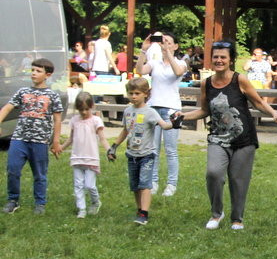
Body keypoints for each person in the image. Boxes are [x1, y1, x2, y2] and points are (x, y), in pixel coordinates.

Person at [177, 40, 277, 231]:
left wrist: (275, 114)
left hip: (243, 139)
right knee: (213, 173)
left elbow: (258, 103)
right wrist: (182, 116)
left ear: (230, 60)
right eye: (216, 57)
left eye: (223, 57)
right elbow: (204, 110)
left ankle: (237, 218)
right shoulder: (206, 84)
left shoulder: (240, 79)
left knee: (239, 180)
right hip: (218, 138)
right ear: (211, 59)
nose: (219, 60)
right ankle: (216, 214)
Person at [106, 77, 174, 225]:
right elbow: (125, 130)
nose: (134, 96)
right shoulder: (127, 111)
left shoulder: (150, 112)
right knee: (135, 185)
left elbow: (164, 125)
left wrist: (174, 122)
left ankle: (144, 213)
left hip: (146, 155)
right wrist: (114, 146)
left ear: (145, 94)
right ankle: (139, 210)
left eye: (137, 93)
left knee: (145, 184)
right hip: (131, 155)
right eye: (131, 93)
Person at [0, 58, 63, 215]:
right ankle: (13, 200)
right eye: (32, 70)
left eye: (38, 71)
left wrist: (55, 142)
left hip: (40, 141)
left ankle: (40, 203)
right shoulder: (22, 92)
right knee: (13, 170)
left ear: (47, 75)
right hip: (19, 138)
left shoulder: (53, 95)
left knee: (40, 174)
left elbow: (57, 120)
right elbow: (7, 108)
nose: (34, 73)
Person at [135, 32, 188, 197]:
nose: (165, 44)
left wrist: (168, 54)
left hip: (171, 110)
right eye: (163, 41)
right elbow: (140, 71)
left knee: (171, 149)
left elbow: (178, 72)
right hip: (154, 108)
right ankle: (154, 182)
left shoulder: (181, 62)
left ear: (175, 46)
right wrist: (143, 51)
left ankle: (171, 184)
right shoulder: (155, 62)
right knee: (153, 149)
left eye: (169, 42)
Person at [61, 92, 110, 218]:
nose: (83, 112)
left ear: (92, 106)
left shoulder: (96, 121)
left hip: (91, 159)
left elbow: (102, 139)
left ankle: (95, 202)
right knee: (78, 186)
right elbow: (70, 139)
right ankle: (81, 209)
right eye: (81, 109)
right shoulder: (74, 121)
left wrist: (109, 150)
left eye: (86, 109)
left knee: (89, 185)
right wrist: (60, 148)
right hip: (77, 158)